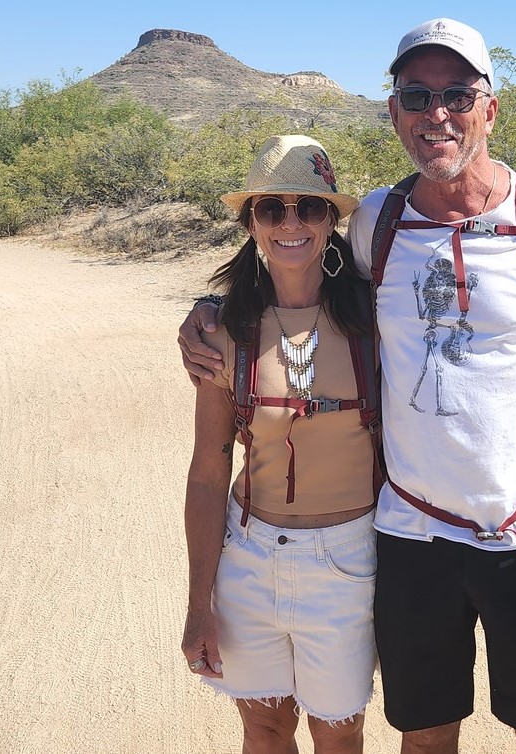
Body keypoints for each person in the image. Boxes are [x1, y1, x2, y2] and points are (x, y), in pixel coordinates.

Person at [180, 19, 516, 754]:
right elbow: (295, 278)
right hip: (410, 535)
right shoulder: (377, 225)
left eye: (457, 94)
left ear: (489, 108)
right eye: (416, 96)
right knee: (424, 736)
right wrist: (210, 313)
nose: (437, 114)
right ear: (393, 113)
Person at [180, 134, 380, 754]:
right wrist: (198, 605)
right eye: (272, 209)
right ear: (251, 225)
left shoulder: (377, 323)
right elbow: (209, 473)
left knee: (338, 733)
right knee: (263, 728)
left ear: (332, 224)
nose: (290, 223)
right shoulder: (224, 332)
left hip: (348, 563)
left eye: (309, 208)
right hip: (251, 558)